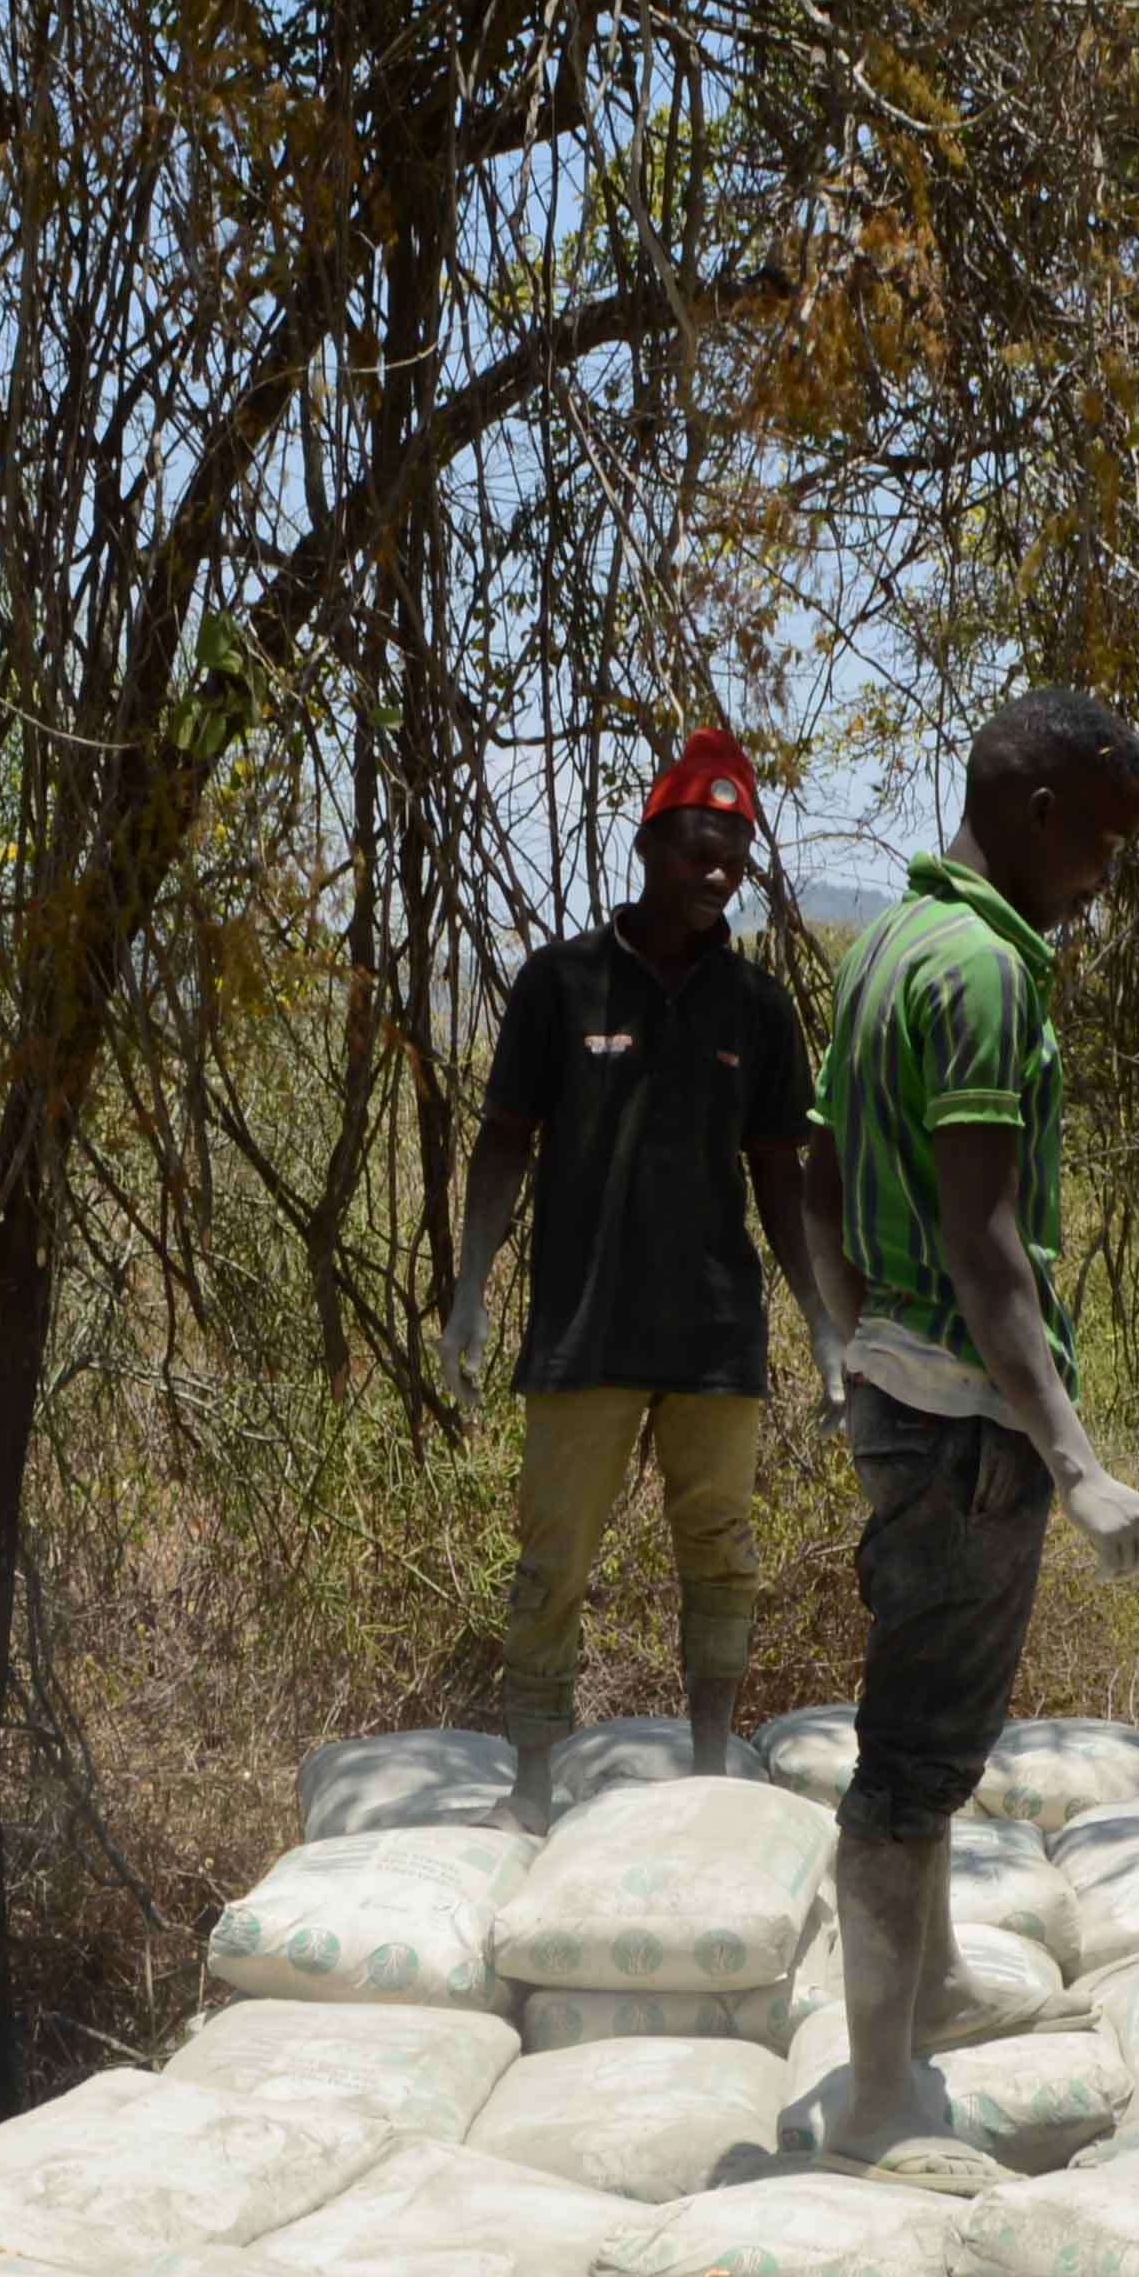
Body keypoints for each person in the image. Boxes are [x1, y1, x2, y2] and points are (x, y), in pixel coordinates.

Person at [800, 683, 1139, 2173]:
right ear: (1038, 815)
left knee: (935, 1733)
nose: (1103, 881)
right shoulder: (987, 976)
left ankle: (936, 1987)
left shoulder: (885, 942)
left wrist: (840, 1343)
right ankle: (882, 2091)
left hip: (902, 1389)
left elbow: (817, 1173)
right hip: (964, 1419)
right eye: (1101, 843)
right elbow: (986, 1245)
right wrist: (1076, 1466)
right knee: (908, 1756)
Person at [440, 729, 853, 1817]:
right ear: (646, 844)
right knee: (551, 1564)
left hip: (715, 1335)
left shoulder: (757, 1008)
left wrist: (822, 1323)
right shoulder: (560, 982)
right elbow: (502, 1144)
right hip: (583, 1330)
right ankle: (533, 1784)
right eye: (695, 849)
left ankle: (712, 1772)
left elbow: (780, 1174)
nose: (714, 873)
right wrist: (471, 1295)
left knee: (721, 1554)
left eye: (733, 856)